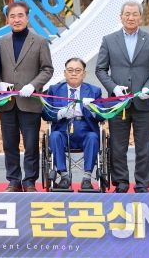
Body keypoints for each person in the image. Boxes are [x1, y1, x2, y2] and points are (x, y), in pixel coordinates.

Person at [95, 1, 149, 193]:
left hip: (144, 103)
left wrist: (148, 88)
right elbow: (100, 69)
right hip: (118, 103)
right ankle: (121, 182)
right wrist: (113, 88)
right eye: (127, 14)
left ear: (140, 17)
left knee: (144, 147)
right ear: (121, 17)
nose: (131, 17)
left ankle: (142, 184)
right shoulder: (109, 40)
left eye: (135, 14)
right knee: (118, 146)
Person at [0, 2, 53, 192]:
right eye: (12, 16)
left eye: (20, 15)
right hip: (7, 103)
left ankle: (29, 181)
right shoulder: (1, 42)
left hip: (30, 102)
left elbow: (47, 69)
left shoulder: (40, 41)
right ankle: (13, 180)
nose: (16, 19)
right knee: (9, 144)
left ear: (27, 18)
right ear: (7, 19)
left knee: (30, 145)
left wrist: (33, 85)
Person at [42, 58, 103, 190]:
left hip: (85, 129)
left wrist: (92, 109)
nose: (73, 73)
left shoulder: (94, 91)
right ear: (65, 73)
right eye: (70, 70)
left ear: (84, 73)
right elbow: (46, 113)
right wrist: (60, 114)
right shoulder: (54, 90)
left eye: (77, 70)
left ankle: (87, 178)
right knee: (54, 136)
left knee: (93, 137)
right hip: (63, 129)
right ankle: (64, 177)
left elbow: (102, 116)